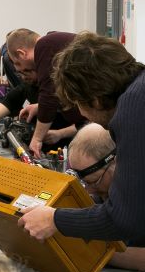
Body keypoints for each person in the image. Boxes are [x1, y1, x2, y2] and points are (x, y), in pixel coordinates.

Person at [18, 32, 145, 252]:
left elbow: (124, 218)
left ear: (95, 99)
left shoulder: (132, 108)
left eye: (78, 105)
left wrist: (55, 219)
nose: (83, 116)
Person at [67, 123, 145, 272]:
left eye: (95, 181)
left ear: (117, 162)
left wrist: (95, 252)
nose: (90, 190)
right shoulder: (105, 189)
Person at [6, 29, 84, 158]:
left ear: (21, 53)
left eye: (17, 63)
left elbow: (49, 95)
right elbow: (57, 94)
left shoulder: (43, 46)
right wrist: (39, 106)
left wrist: (37, 140)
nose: (19, 69)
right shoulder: (54, 44)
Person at [0, 69, 76, 150]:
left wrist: (60, 134)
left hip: (64, 151)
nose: (23, 77)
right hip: (31, 150)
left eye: (28, 72)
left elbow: (86, 123)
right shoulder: (25, 88)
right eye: (20, 73)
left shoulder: (62, 91)